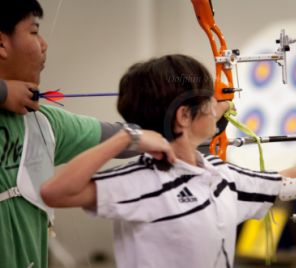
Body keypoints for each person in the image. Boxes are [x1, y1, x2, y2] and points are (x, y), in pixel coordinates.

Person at [41, 54, 296, 268]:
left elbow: (287, 181)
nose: (219, 105)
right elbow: (57, 192)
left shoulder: (221, 176)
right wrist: (127, 138)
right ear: (184, 117)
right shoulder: (142, 180)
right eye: (209, 98)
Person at [0, 1, 175, 267]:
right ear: (2, 44)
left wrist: (185, 124)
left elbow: (115, 137)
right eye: (34, 32)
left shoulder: (43, 123)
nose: (44, 44)